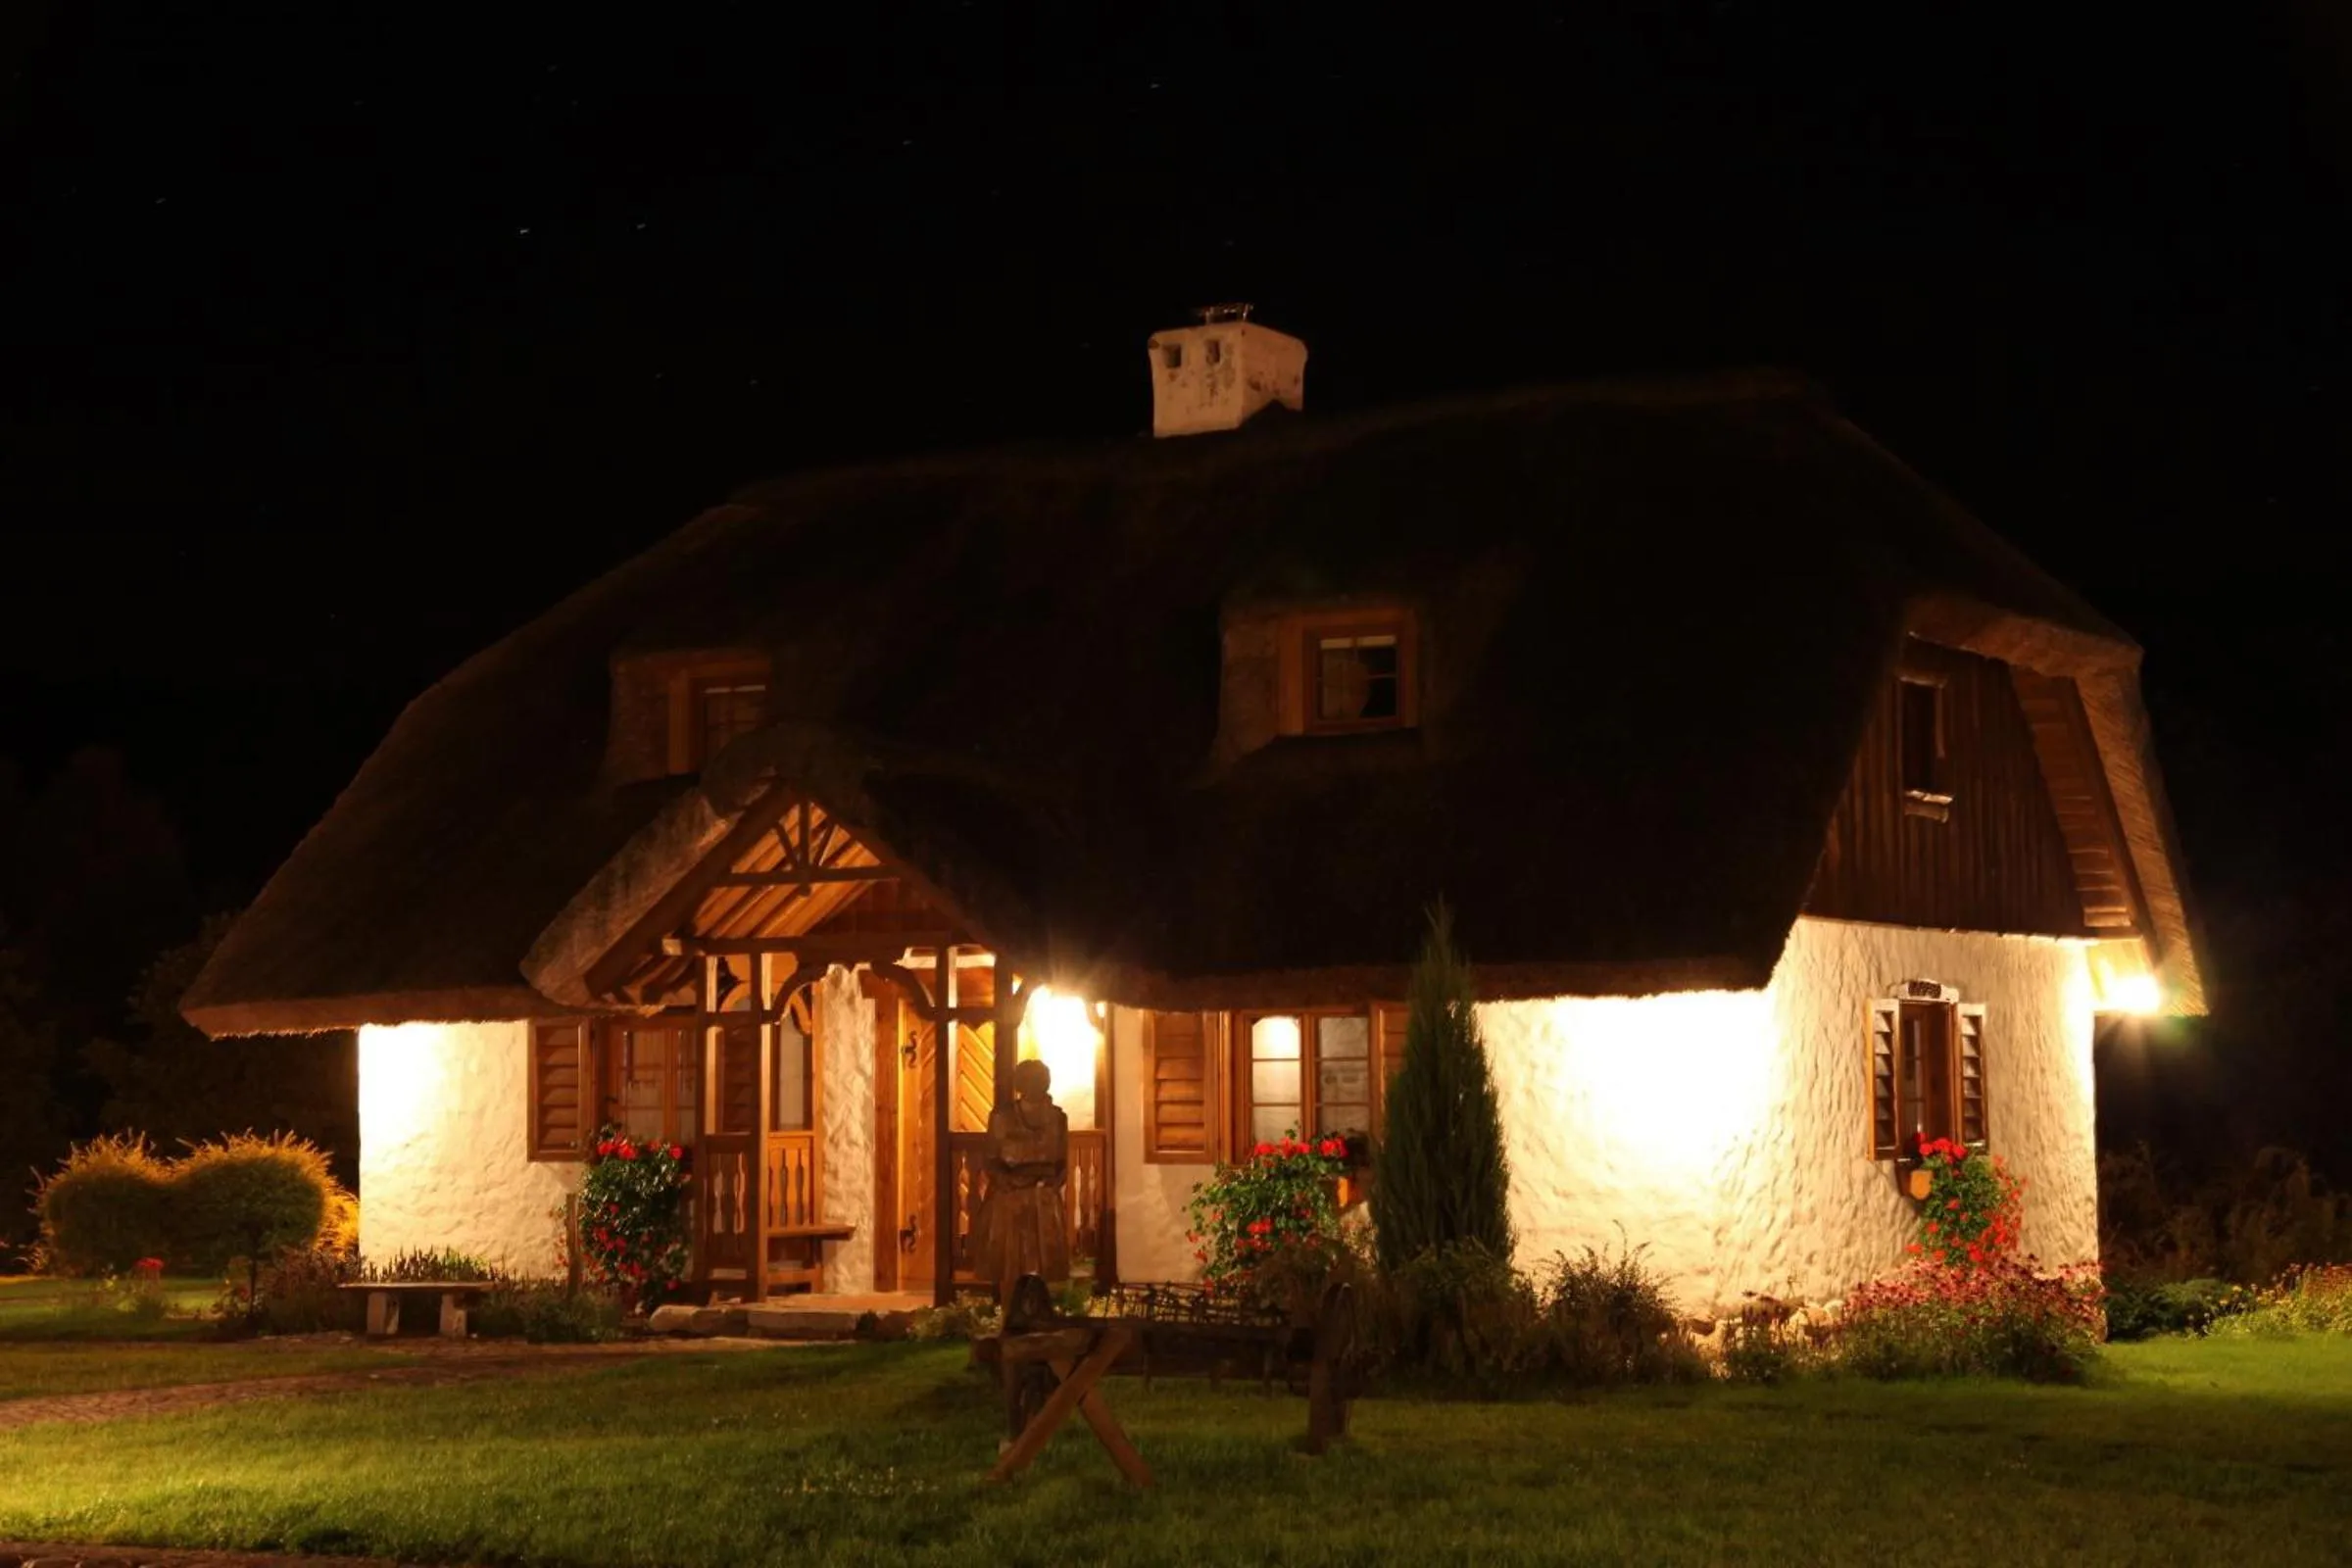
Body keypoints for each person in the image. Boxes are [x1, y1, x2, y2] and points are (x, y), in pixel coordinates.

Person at [976, 1056, 1071, 1302]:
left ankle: (1041, 1312)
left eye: (1040, 1080)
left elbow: (1062, 1162)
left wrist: (1051, 1186)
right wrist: (1006, 1183)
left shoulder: (1057, 1118)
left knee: (1043, 1262)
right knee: (1011, 1262)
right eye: (1031, 1080)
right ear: (1020, 1084)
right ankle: (1011, 1311)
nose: (1036, 1086)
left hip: (1043, 1199)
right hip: (1010, 1198)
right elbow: (991, 1159)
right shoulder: (1002, 1117)